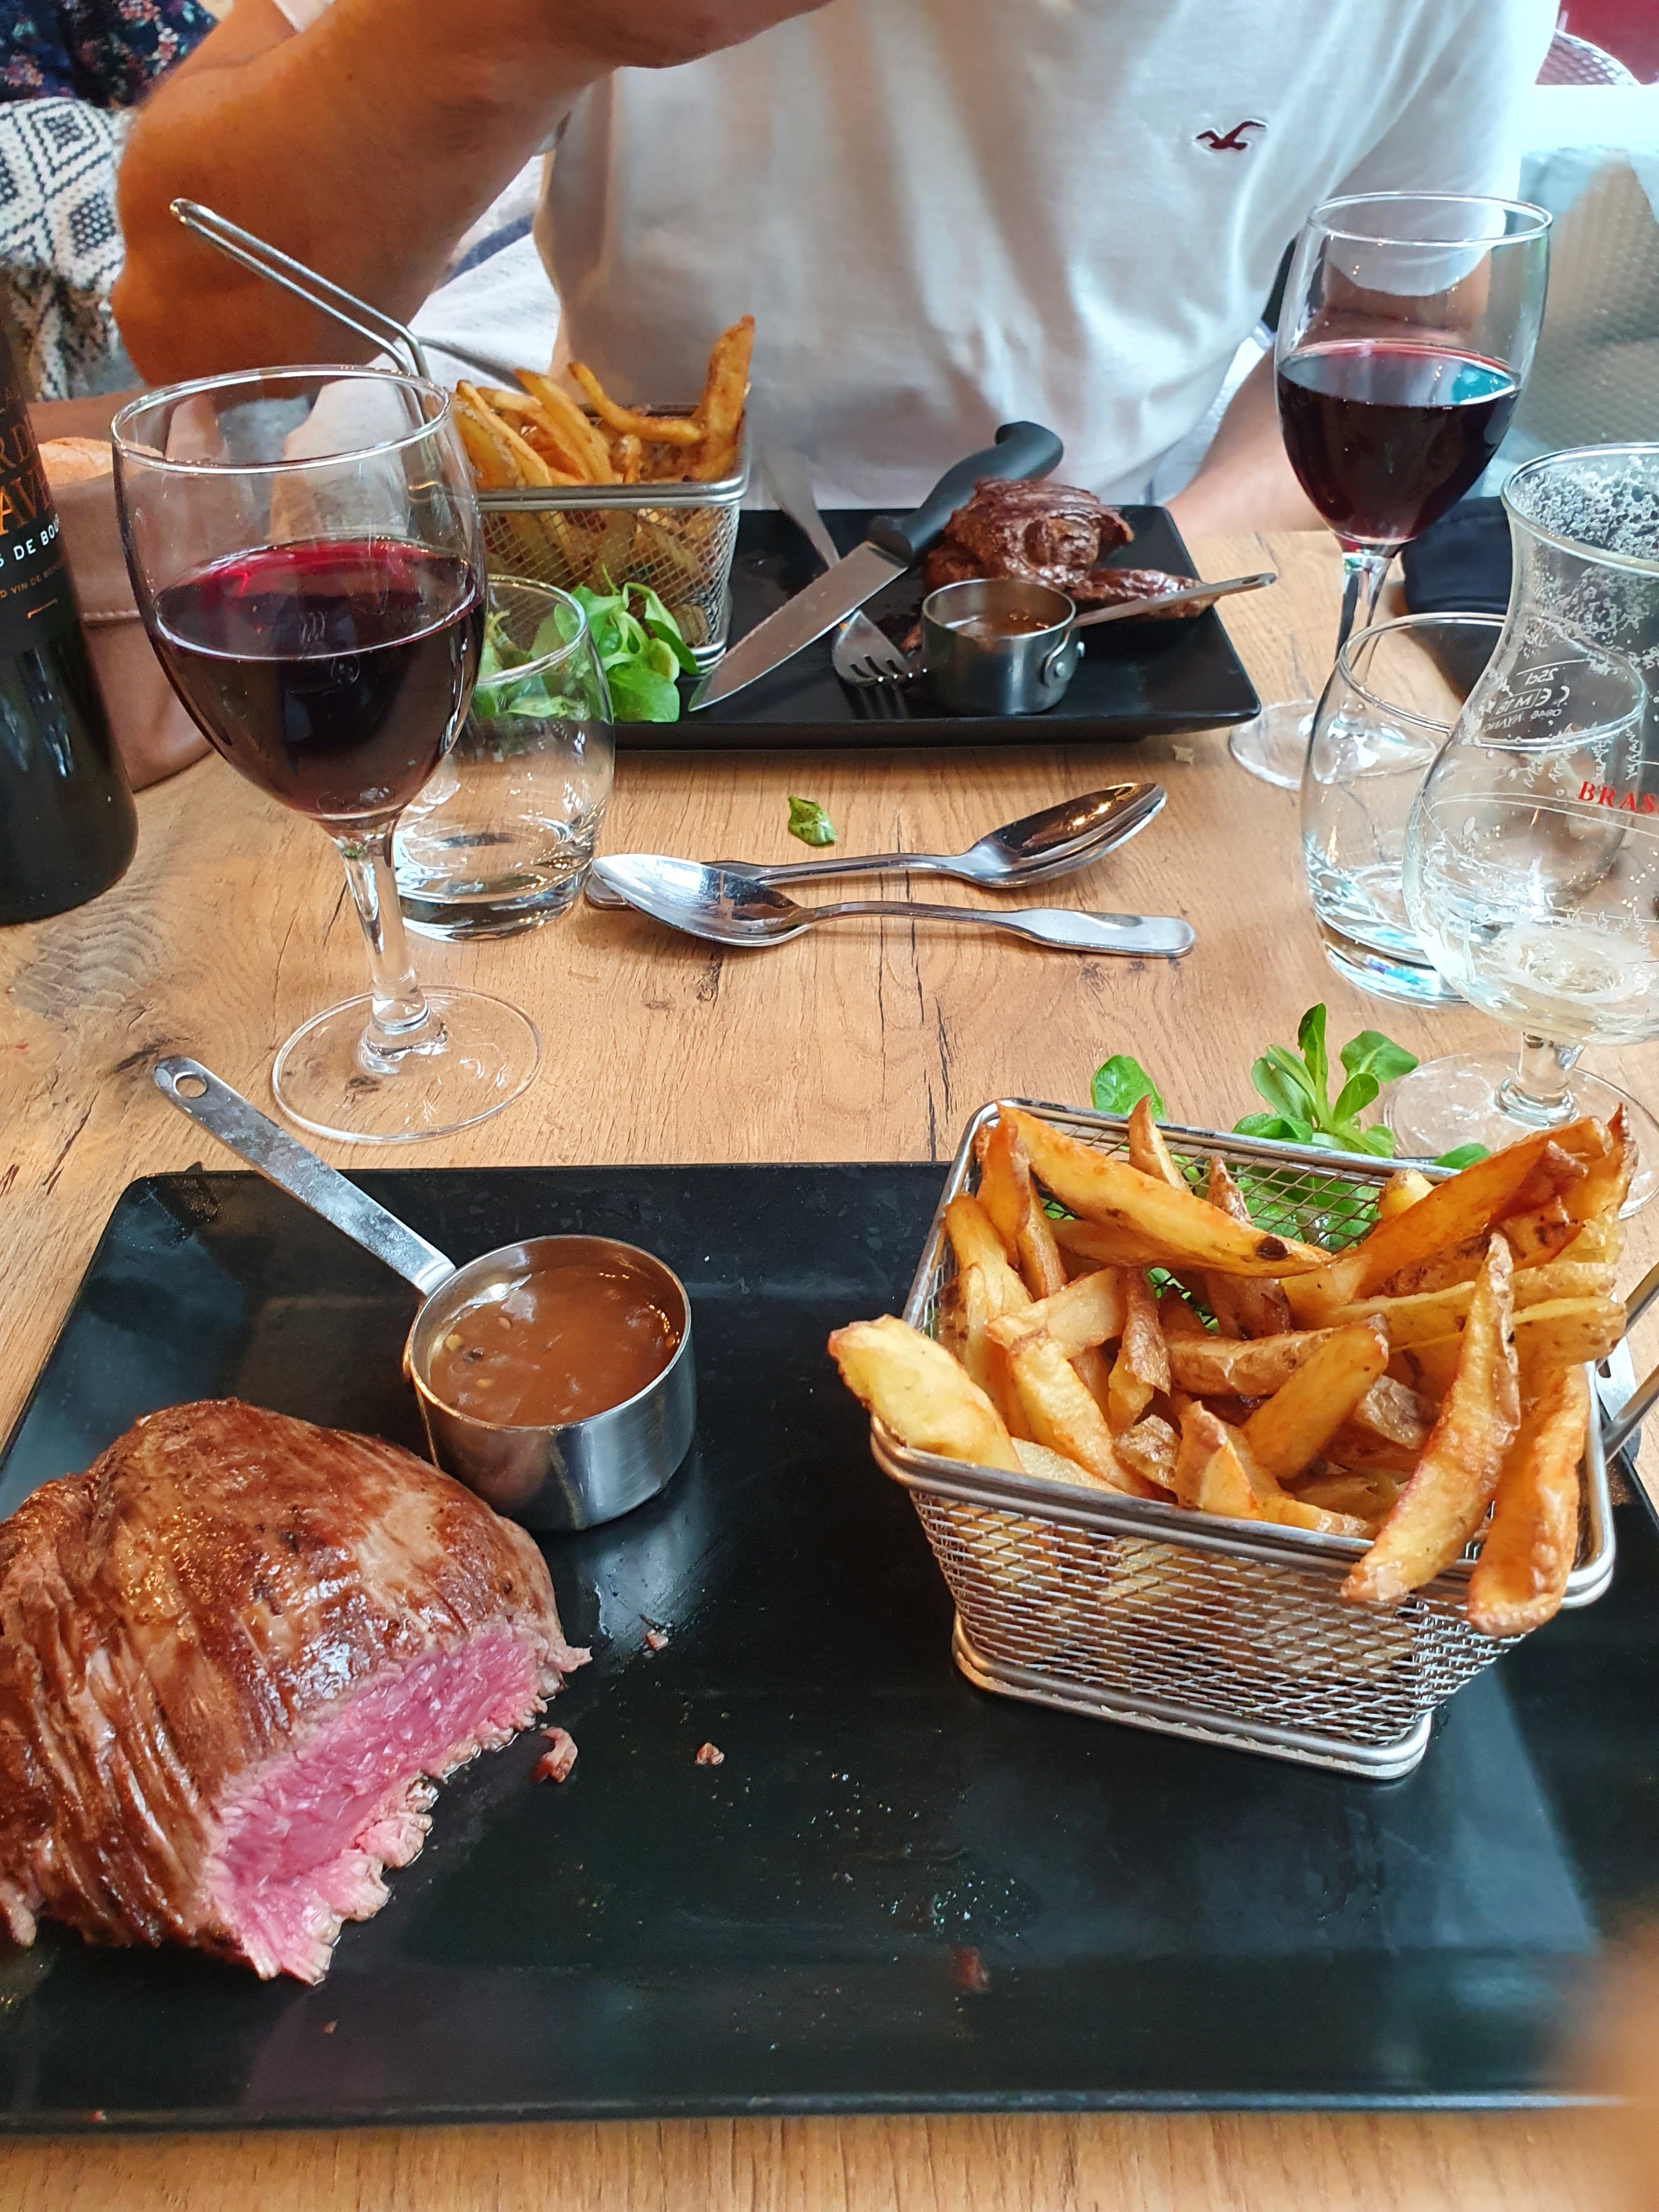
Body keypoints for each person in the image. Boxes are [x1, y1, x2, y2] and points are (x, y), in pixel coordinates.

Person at [112, 0, 1556, 522]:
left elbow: (1398, 338)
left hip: (1140, 577)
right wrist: (522, 19)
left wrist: (1155, 565)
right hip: (644, 569)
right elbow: (189, 320)